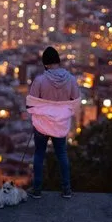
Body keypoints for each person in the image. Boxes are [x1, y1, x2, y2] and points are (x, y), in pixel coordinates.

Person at [26, 46, 80, 199]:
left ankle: (37, 190)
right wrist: (62, 111)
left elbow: (31, 104)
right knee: (62, 154)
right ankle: (66, 189)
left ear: (45, 63)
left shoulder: (40, 80)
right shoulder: (71, 80)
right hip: (60, 125)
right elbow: (75, 102)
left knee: (39, 154)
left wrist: (44, 110)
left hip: (42, 124)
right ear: (58, 61)